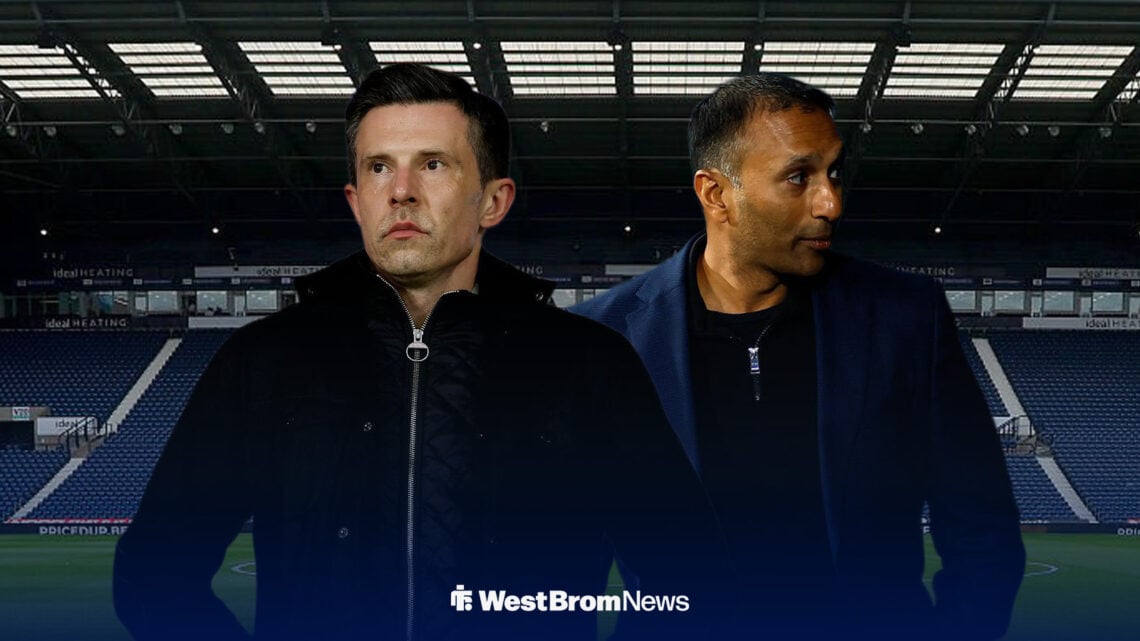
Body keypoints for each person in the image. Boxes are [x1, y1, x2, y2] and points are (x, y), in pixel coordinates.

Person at [113, 63, 726, 641]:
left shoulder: (589, 364)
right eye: (379, 167)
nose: (401, 191)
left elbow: (688, 578)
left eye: (433, 164)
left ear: (493, 201)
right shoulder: (262, 362)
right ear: (356, 200)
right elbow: (153, 576)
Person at [571, 73, 1026, 640]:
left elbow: (982, 527)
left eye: (833, 172)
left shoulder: (906, 317)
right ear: (716, 194)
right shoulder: (601, 336)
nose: (830, 202)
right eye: (798, 177)